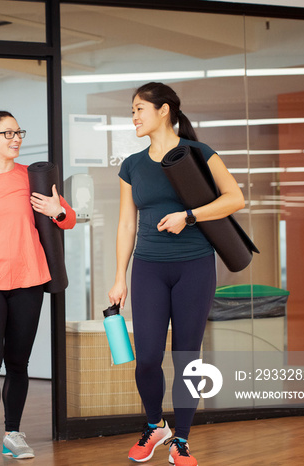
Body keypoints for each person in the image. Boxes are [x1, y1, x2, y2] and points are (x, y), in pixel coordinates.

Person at [107, 82, 244, 466]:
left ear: (164, 110)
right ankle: (156, 426)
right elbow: (125, 225)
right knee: (147, 357)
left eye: (139, 109)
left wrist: (190, 216)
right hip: (148, 267)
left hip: (195, 266)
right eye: (132, 110)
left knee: (186, 357)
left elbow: (235, 198)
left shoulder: (199, 153)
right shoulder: (132, 165)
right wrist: (120, 276)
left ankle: (181, 440)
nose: (133, 116)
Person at [0, 110, 76, 465]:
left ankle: (14, 434)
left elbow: (68, 221)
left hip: (29, 280)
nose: (16, 138)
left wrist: (57, 209)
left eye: (18, 132)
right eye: (8, 133)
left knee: (18, 362)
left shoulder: (33, 177)